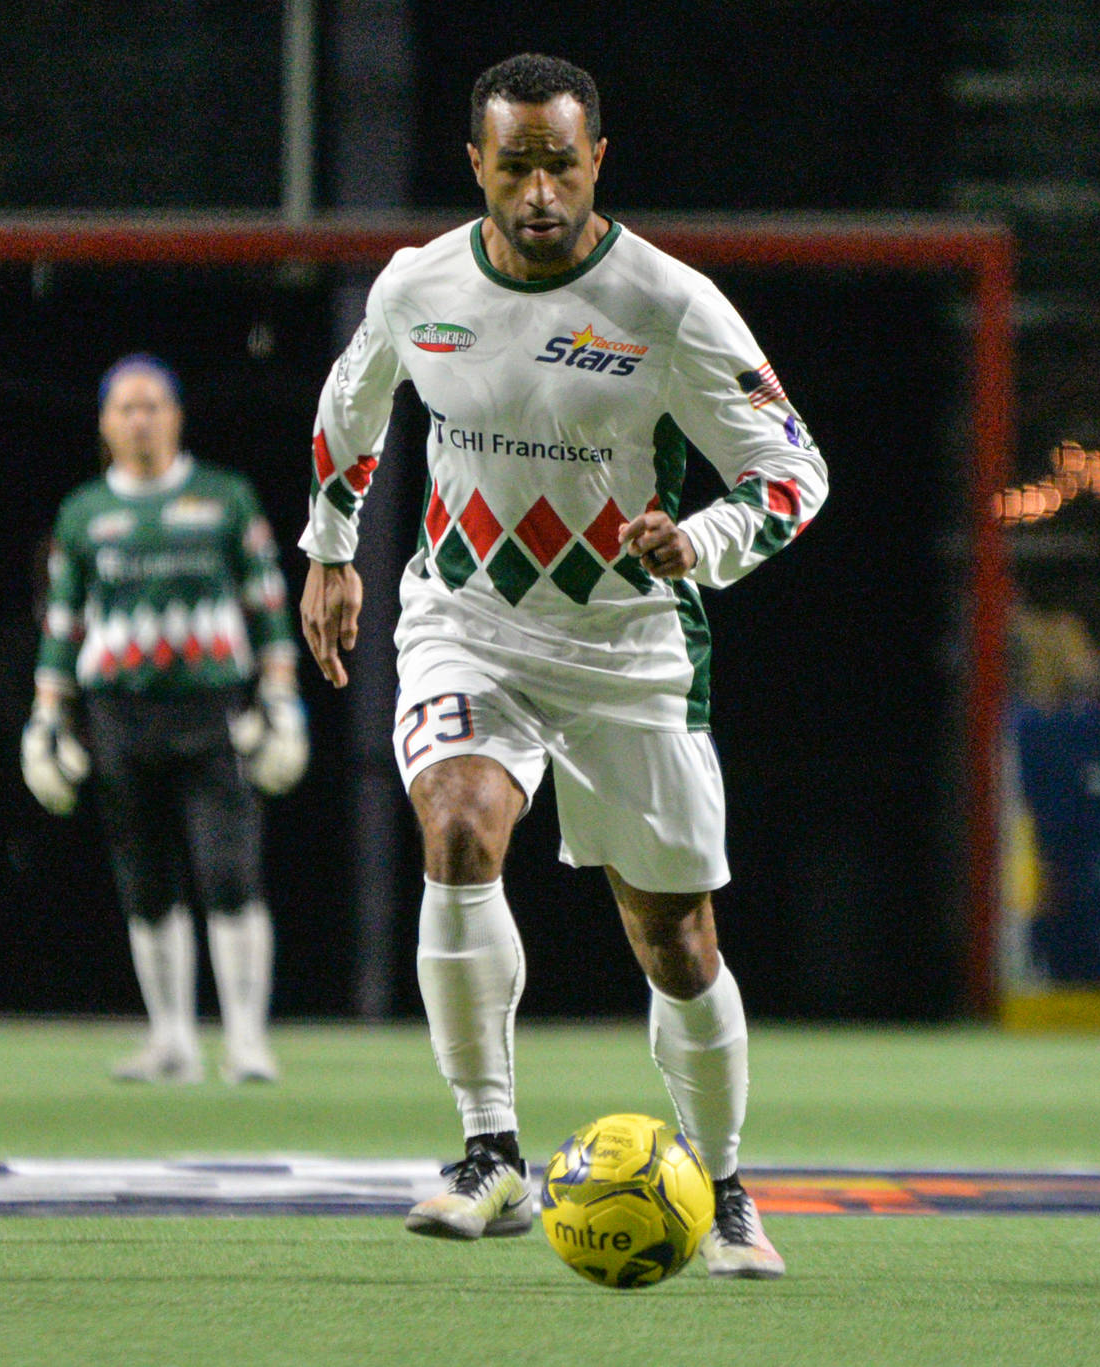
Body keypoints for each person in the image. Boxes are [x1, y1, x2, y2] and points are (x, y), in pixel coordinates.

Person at [297, 54, 827, 1279]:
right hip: (464, 621)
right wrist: (330, 549)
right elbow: (348, 405)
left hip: (627, 648)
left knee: (676, 941)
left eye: (560, 161)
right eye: (513, 162)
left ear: (597, 160)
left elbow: (795, 470)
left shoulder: (669, 304)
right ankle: (488, 1152)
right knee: (459, 828)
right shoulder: (417, 284)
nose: (538, 188)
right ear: (474, 163)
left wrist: (700, 538)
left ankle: (727, 1181)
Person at [23, 354, 307, 1084]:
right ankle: (173, 1039)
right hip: (120, 714)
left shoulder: (224, 498)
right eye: (126, 407)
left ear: (177, 416)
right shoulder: (85, 512)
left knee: (230, 872)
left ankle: (246, 1040)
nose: (141, 418)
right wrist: (46, 713)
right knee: (145, 884)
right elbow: (63, 619)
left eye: (153, 405)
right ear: (104, 423)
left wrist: (281, 699)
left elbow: (269, 603)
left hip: (211, 710)